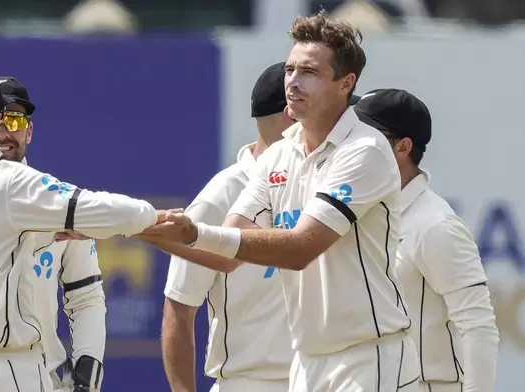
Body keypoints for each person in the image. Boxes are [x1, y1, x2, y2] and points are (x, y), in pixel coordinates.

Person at [139, 11, 421, 392]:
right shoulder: (278, 156)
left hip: (369, 358)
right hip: (307, 365)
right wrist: (138, 227)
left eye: (309, 73)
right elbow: (226, 255)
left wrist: (193, 232)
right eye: (290, 70)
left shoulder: (365, 150)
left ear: (346, 83)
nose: (292, 82)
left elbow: (300, 249)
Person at [0, 65, 167, 392]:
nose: (7, 131)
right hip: (9, 369)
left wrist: (86, 378)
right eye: (3, 119)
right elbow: (108, 211)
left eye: (17, 121)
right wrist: (156, 218)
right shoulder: (10, 184)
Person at [159, 62, 295, 392]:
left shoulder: (316, 181)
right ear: (291, 113)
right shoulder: (223, 194)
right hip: (249, 383)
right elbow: (179, 308)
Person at [353, 89, 500, 392]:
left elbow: (478, 326)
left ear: (403, 147)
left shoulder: (436, 225)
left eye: (366, 136)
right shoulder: (362, 214)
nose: (352, 146)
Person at [0, 76, 107, 391]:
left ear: (29, 131)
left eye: (14, 120)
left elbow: (86, 296)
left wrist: (88, 366)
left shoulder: (60, 202)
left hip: (46, 377)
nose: (4, 132)